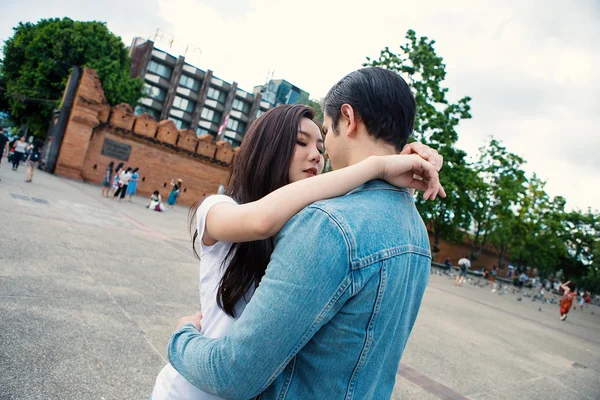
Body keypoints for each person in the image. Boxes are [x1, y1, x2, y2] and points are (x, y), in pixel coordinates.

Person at [165, 68, 445, 399]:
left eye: (325, 137)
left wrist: (180, 337)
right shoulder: (414, 232)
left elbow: (234, 373)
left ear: (349, 120)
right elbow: (260, 220)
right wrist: (381, 166)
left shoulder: (324, 224)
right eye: (301, 142)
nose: (319, 154)